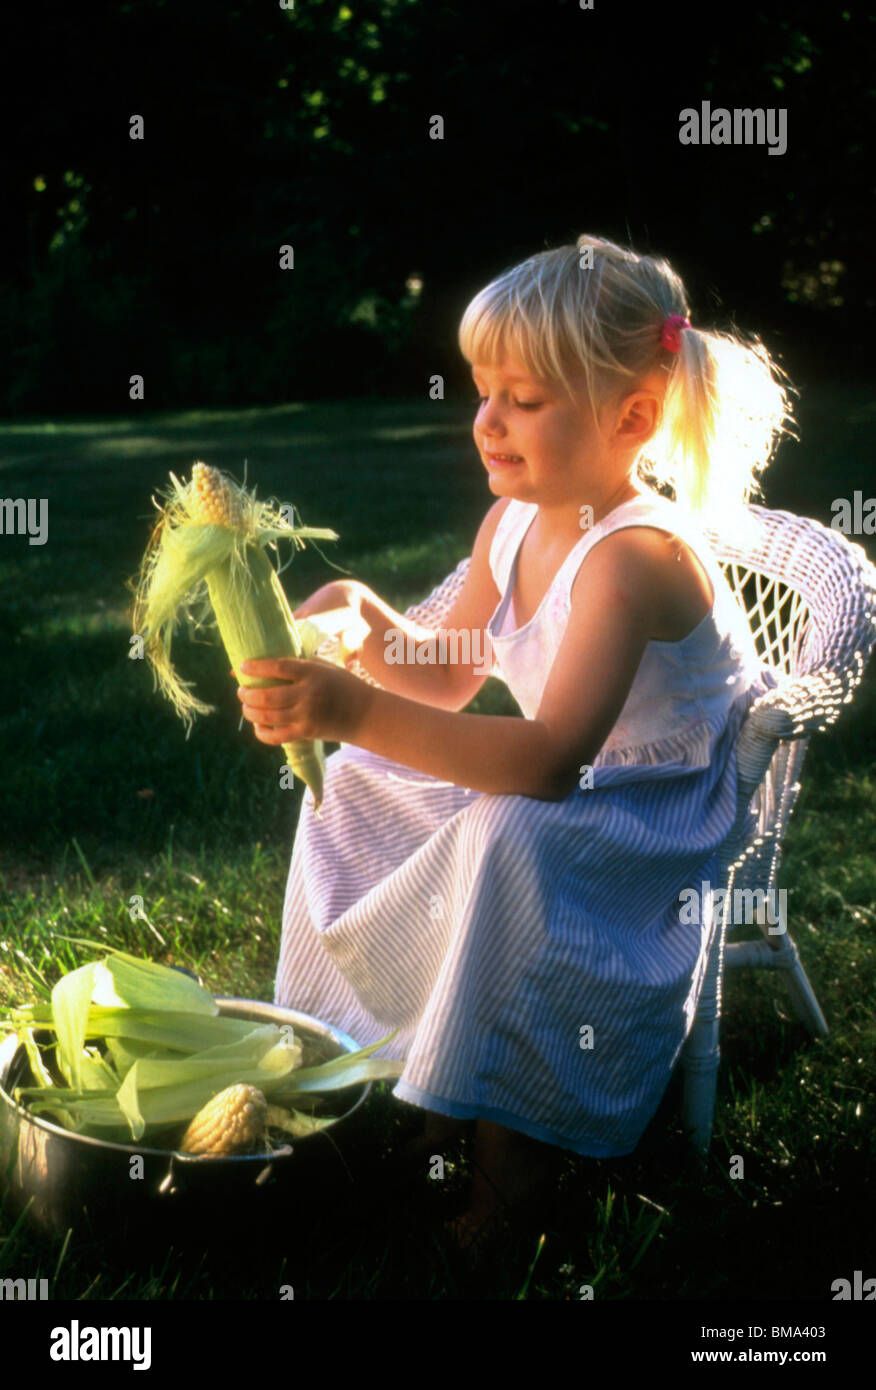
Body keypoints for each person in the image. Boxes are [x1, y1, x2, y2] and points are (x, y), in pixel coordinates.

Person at [236, 233, 793, 1251]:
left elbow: (545, 764)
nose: (487, 420)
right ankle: (378, 1063)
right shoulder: (518, 518)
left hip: (656, 805)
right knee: (356, 782)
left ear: (631, 418)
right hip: (575, 776)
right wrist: (366, 625)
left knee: (503, 839)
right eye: (483, 391)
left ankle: (511, 1171)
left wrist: (354, 706)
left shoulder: (631, 558)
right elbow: (450, 669)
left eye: (524, 399)